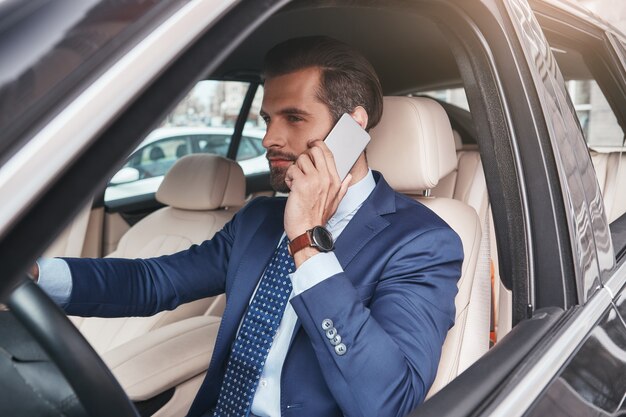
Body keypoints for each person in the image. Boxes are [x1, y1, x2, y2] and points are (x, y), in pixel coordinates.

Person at [34, 36, 463, 417]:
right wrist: (32, 276)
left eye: (293, 118)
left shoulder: (422, 242)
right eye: (266, 119)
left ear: (352, 126)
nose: (268, 139)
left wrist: (306, 241)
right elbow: (154, 281)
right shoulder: (259, 218)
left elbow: (388, 402)